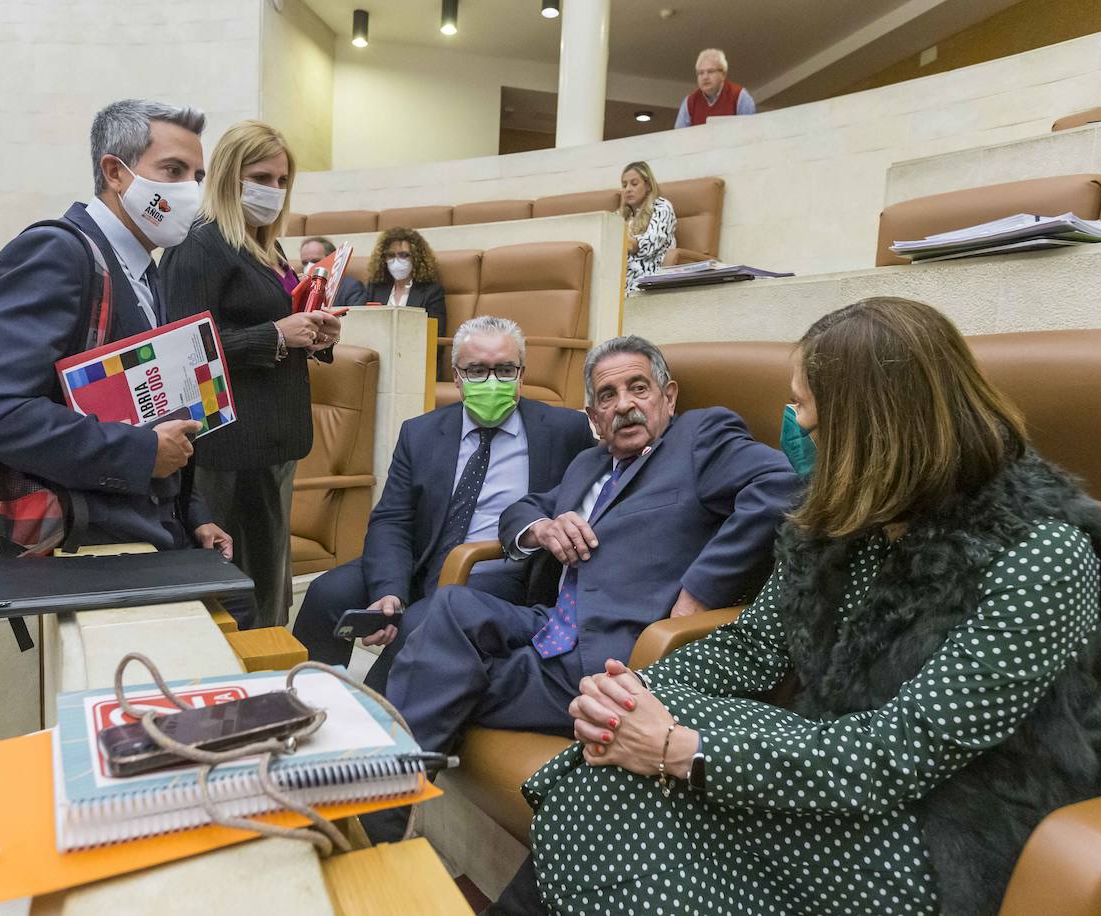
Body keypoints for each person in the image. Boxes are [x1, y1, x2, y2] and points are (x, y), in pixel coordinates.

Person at [494, 298, 1101, 916]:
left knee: (616, 784)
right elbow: (752, 645)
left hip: (947, 827)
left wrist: (680, 750)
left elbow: (902, 750)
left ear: (876, 428)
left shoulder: (1044, 552)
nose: (795, 427)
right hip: (830, 758)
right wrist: (629, 696)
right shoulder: (846, 517)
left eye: (807, 408)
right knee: (616, 753)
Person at [384, 335, 798, 759]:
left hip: (618, 652)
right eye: (607, 396)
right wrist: (542, 528)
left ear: (668, 397)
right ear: (595, 419)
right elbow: (522, 508)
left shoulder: (699, 437)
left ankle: (382, 799)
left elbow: (779, 485)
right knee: (450, 606)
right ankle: (387, 779)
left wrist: (701, 591)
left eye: (638, 388)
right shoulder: (590, 463)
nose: (623, 405)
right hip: (550, 622)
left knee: (434, 677)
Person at [0, 100, 229, 555]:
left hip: (142, 530)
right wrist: (139, 453)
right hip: (81, 542)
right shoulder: (57, 252)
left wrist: (193, 514)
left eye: (196, 178)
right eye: (173, 170)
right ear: (115, 173)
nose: (190, 192)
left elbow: (150, 418)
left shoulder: (144, 271)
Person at [292, 316, 594, 693]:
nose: (492, 380)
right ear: (456, 377)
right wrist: (390, 590)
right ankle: (311, 700)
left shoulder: (566, 430)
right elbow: (392, 520)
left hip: (496, 571)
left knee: (421, 623)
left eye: (504, 369)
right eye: (477, 370)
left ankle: (376, 720)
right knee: (327, 594)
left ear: (521, 374)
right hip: (424, 560)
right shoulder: (420, 433)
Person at [159, 120, 340, 629]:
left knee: (268, 589)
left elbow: (275, 329)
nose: (274, 191)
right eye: (262, 177)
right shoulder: (198, 244)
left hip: (273, 444)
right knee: (236, 597)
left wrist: (315, 335)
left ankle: (269, 681)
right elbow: (183, 351)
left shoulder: (267, 247)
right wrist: (278, 335)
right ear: (228, 176)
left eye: (283, 181)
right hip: (226, 449)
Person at [361, 227, 446, 327]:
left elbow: (436, 333)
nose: (396, 261)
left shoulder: (432, 292)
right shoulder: (375, 288)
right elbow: (362, 324)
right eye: (391, 255)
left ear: (416, 257)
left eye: (404, 255)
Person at [618, 161, 675, 292]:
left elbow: (650, 244)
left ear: (648, 185)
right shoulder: (621, 216)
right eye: (624, 185)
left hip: (647, 277)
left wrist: (620, 240)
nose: (628, 189)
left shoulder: (662, 207)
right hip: (618, 279)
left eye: (634, 184)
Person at [675, 48, 755, 129]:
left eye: (710, 71)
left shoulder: (739, 96)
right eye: (701, 73)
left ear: (723, 74)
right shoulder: (689, 103)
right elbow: (678, 137)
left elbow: (750, 132)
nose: (705, 77)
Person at [299, 236, 366, 310]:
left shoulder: (351, 288)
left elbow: (354, 318)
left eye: (315, 261)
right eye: (305, 263)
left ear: (332, 261)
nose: (309, 267)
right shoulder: (300, 288)